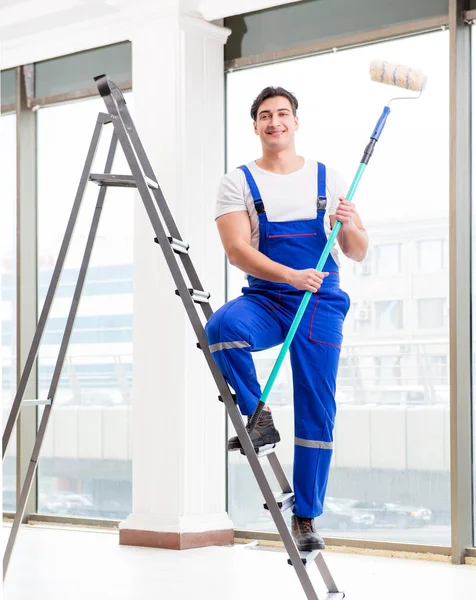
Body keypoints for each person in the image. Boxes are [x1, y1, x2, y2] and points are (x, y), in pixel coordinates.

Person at [205, 86, 368, 551]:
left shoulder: (329, 178)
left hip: (320, 302)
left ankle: (306, 518)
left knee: (317, 407)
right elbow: (238, 251)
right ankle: (260, 415)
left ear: (296, 122)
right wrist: (291, 277)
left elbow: (357, 251)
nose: (274, 122)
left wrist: (351, 224)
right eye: (264, 116)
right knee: (222, 329)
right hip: (271, 297)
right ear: (254, 126)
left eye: (282, 114)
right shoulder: (237, 182)